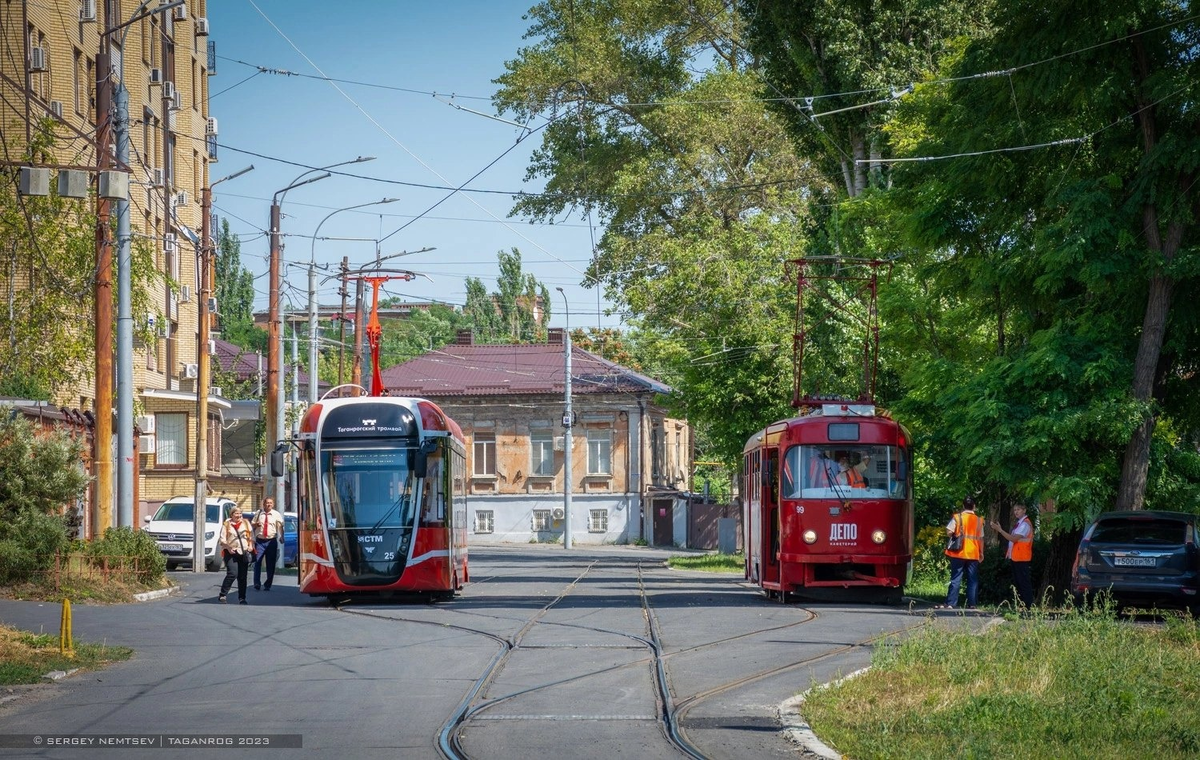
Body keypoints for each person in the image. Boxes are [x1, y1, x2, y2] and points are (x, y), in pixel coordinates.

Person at [938, 496, 984, 610]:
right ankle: (972, 604)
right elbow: (981, 538)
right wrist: (981, 552)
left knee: (956, 578)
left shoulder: (957, 518)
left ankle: (951, 603)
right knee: (972, 579)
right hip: (973, 553)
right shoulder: (979, 520)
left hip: (958, 553)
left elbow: (949, 531)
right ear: (974, 506)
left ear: (963, 506)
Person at [990, 504, 1035, 608]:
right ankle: (1022, 604)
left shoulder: (1025, 524)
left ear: (1024, 510)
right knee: (1018, 582)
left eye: (1018, 509)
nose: (1016, 512)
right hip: (1017, 556)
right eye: (1014, 510)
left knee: (1023, 582)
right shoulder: (1020, 523)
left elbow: (1014, 539)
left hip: (1022, 557)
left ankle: (1027, 605)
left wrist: (1000, 530)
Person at [217, 504, 254, 605]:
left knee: (242, 576)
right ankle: (223, 595)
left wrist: (250, 546)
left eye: (240, 513)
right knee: (232, 574)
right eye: (236, 513)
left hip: (244, 552)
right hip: (231, 553)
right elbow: (222, 540)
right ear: (232, 514)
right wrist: (228, 547)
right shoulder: (227, 525)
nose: (239, 516)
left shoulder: (246, 523)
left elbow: (250, 537)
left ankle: (242, 598)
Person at [251, 497, 285, 591]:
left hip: (271, 541)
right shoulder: (258, 513)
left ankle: (268, 584)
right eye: (267, 503)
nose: (269, 504)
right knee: (257, 562)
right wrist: (256, 525)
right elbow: (252, 524)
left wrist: (282, 536)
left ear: (273, 504)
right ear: (264, 504)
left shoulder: (276, 514)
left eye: (270, 503)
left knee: (271, 564)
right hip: (260, 541)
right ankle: (257, 583)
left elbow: (280, 526)